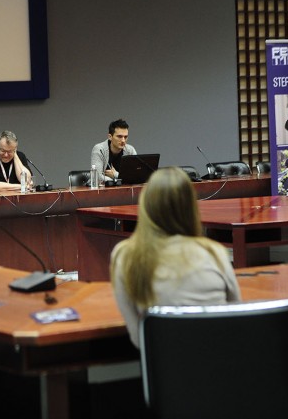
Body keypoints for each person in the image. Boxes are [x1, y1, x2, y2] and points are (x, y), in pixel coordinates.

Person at [109, 167, 240, 348]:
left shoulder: (125, 256)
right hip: (222, 367)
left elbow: (139, 339)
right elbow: (236, 317)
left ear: (146, 205)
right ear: (191, 208)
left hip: (163, 371)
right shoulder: (214, 253)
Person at [91, 119, 137, 184]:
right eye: (119, 137)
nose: (123, 140)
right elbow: (97, 176)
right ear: (110, 137)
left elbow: (136, 176)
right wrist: (118, 180)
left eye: (125, 137)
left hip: (125, 190)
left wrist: (115, 175)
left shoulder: (130, 150)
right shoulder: (99, 149)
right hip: (103, 190)